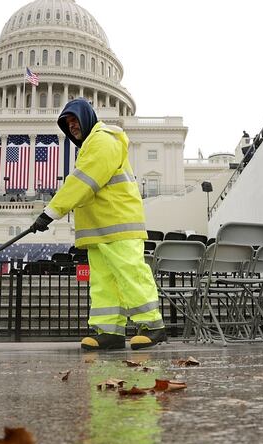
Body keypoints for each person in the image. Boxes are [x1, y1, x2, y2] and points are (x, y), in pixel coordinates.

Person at [31, 98, 166, 351]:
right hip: (99, 228)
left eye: (75, 120)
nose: (72, 127)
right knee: (103, 282)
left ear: (87, 117)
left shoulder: (104, 139)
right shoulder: (91, 146)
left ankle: (152, 325)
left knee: (130, 274)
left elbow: (83, 181)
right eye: (68, 123)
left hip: (118, 223)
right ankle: (109, 331)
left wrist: (50, 212)